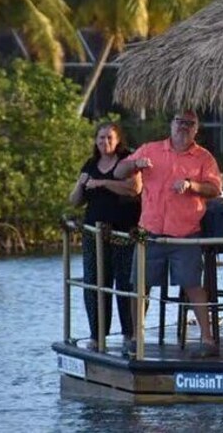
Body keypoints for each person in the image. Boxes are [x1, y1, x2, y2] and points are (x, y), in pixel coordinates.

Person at [115, 110, 222, 358]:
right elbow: (119, 172)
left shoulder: (204, 158)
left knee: (193, 285)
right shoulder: (150, 149)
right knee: (140, 284)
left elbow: (215, 189)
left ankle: (207, 339)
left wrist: (191, 185)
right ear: (171, 124)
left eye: (189, 123)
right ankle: (135, 336)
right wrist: (134, 165)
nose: (183, 127)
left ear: (196, 129)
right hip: (150, 231)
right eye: (179, 122)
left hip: (185, 233)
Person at [69, 122, 142, 352]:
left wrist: (103, 183)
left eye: (109, 138)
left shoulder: (127, 161)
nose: (105, 142)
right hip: (95, 234)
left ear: (118, 139)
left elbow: (134, 188)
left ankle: (129, 334)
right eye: (101, 138)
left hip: (123, 232)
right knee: (95, 283)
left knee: (124, 283)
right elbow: (74, 201)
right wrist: (81, 185)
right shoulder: (91, 164)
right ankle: (97, 335)